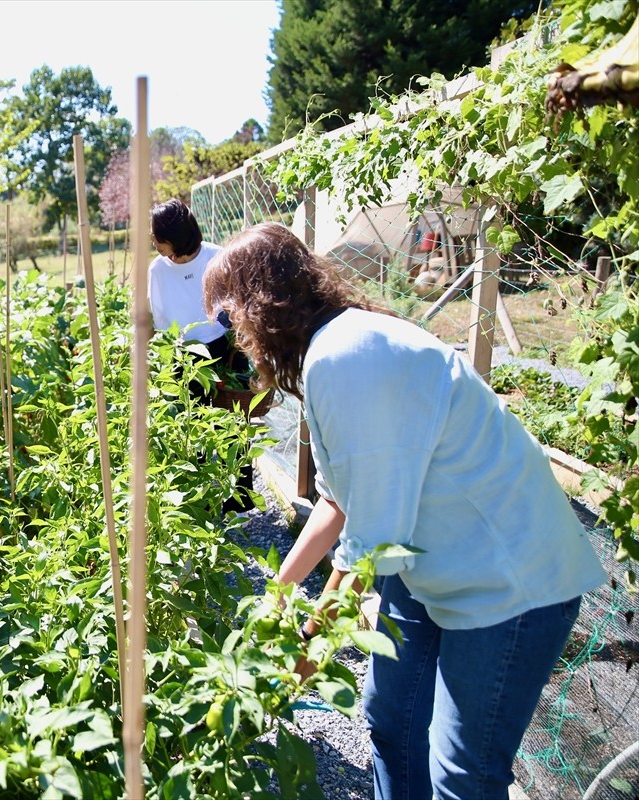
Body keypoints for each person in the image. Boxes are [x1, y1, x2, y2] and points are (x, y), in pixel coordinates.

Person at [201, 222, 606, 800]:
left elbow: (373, 539)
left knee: (461, 772)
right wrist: (278, 593)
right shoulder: (333, 351)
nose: (235, 338)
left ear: (258, 305)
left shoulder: (346, 358)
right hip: (433, 559)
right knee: (391, 720)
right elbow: (340, 500)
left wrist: (306, 652)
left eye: (230, 317)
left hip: (507, 577)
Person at [149, 198, 256, 509]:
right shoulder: (157, 270)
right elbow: (159, 319)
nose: (153, 242)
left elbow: (237, 303)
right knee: (188, 427)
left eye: (157, 236)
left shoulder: (215, 257)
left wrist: (236, 334)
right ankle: (197, 503)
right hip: (182, 355)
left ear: (175, 236)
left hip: (223, 348)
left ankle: (240, 499)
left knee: (233, 422)